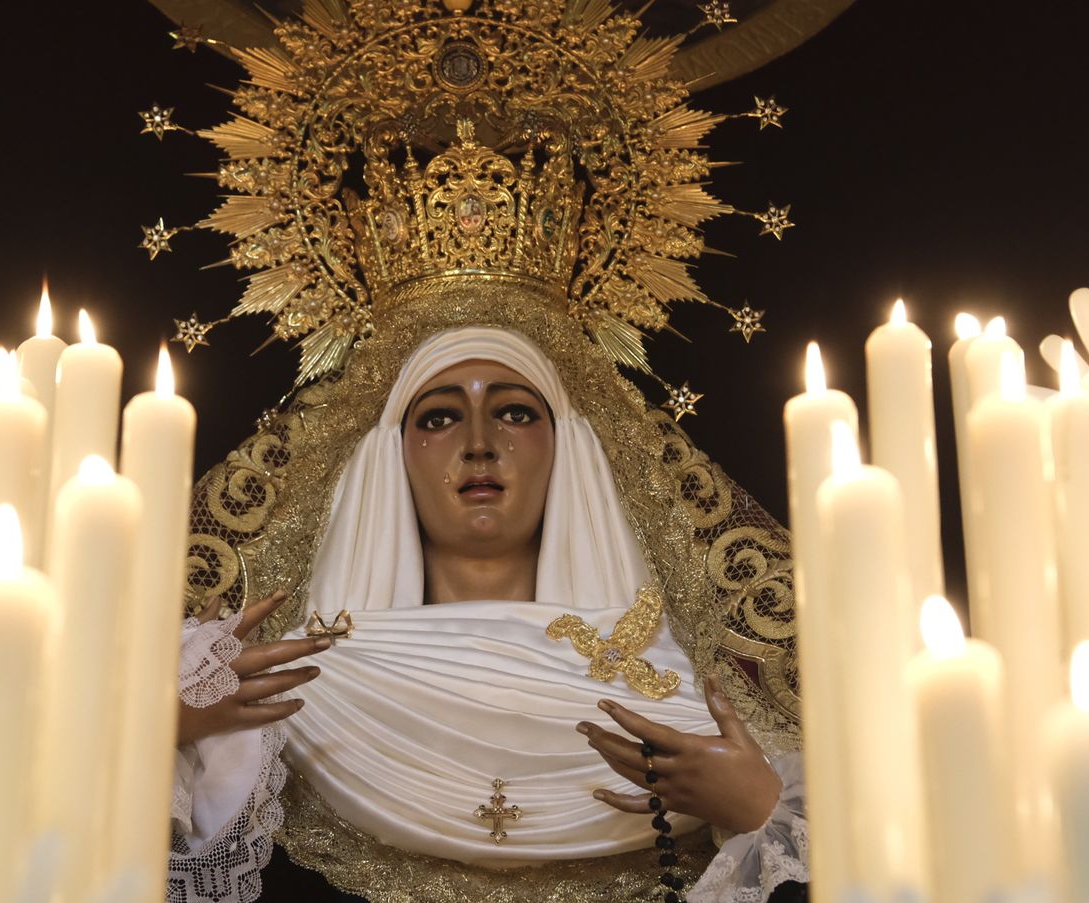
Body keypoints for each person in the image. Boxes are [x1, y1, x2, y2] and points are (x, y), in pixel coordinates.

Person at [146, 1, 807, 898]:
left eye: (518, 411)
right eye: (437, 417)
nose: (481, 443)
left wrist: (758, 806)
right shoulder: (281, 689)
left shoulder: (696, 705)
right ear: (386, 458)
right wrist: (168, 728)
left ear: (575, 450)